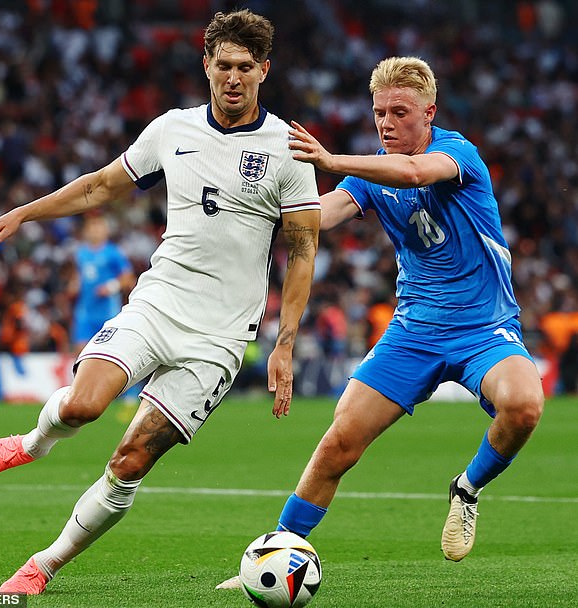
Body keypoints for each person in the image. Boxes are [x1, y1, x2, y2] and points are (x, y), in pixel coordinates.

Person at [0, 9, 320, 595]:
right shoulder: (171, 130)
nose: (233, 78)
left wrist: (285, 343)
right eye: (223, 66)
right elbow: (101, 185)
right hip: (157, 303)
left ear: (264, 71)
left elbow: (303, 249)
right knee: (82, 407)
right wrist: (26, 211)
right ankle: (31, 443)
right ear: (206, 66)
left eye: (245, 68)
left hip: (220, 338)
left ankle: (42, 565)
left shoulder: (289, 148)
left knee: (130, 460)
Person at [218, 55, 544, 589]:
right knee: (339, 443)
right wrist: (257, 209)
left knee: (525, 406)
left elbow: (416, 172)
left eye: (399, 112)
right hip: (413, 331)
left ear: (429, 114)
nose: (387, 123)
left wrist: (329, 157)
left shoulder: (457, 154)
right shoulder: (372, 176)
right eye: (378, 113)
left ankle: (467, 487)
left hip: (483, 327)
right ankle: (271, 556)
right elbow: (321, 216)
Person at [68, 213, 135, 353]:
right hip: (85, 311)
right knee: (80, 352)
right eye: (91, 226)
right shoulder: (81, 253)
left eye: (98, 226)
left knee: (108, 353)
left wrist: (111, 287)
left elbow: (128, 277)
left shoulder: (113, 253)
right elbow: (78, 277)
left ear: (106, 230)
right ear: (86, 231)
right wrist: (74, 286)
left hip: (107, 312)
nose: (95, 230)